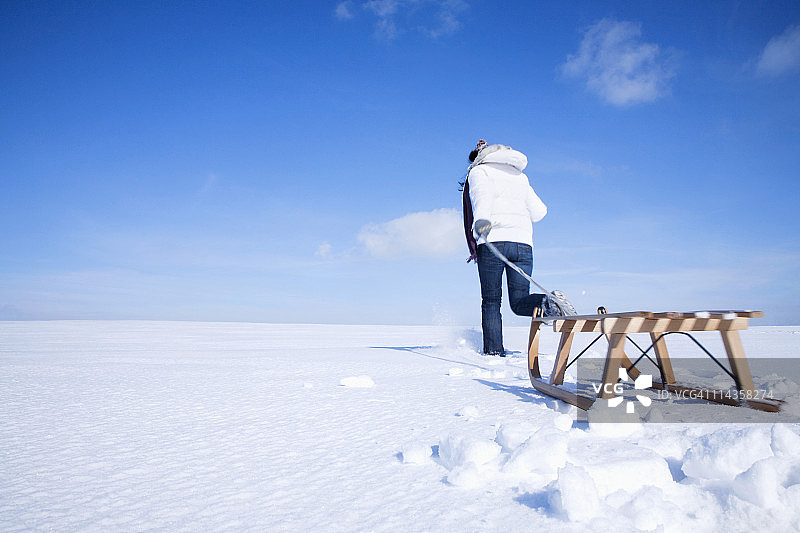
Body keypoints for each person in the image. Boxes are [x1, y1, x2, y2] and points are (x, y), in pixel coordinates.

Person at [462, 139, 558, 356]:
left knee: (491, 301)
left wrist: (482, 222)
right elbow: (539, 212)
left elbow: (482, 198)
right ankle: (549, 303)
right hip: (523, 245)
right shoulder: (520, 177)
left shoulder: (480, 172)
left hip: (493, 241)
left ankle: (494, 353)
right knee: (519, 300)